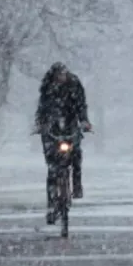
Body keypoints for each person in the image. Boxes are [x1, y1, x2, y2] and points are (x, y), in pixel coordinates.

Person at [35, 62, 92, 223]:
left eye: (63, 75)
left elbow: (81, 106)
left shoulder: (75, 85)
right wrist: (41, 123)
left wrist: (84, 122)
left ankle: (77, 185)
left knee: (76, 155)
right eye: (58, 75)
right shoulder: (47, 87)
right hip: (52, 128)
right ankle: (51, 205)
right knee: (52, 168)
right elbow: (42, 107)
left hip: (70, 124)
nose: (61, 78)